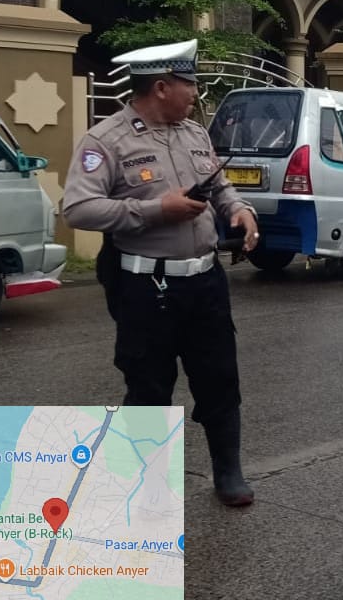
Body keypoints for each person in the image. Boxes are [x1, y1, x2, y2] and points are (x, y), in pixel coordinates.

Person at [63, 40, 262, 507]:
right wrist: (155, 210)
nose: (196, 93)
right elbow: (78, 208)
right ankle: (150, 487)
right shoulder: (105, 140)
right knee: (149, 386)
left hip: (205, 282)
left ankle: (228, 472)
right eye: (189, 84)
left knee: (219, 377)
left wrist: (240, 210)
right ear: (161, 87)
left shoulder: (194, 133)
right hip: (145, 286)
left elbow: (219, 187)